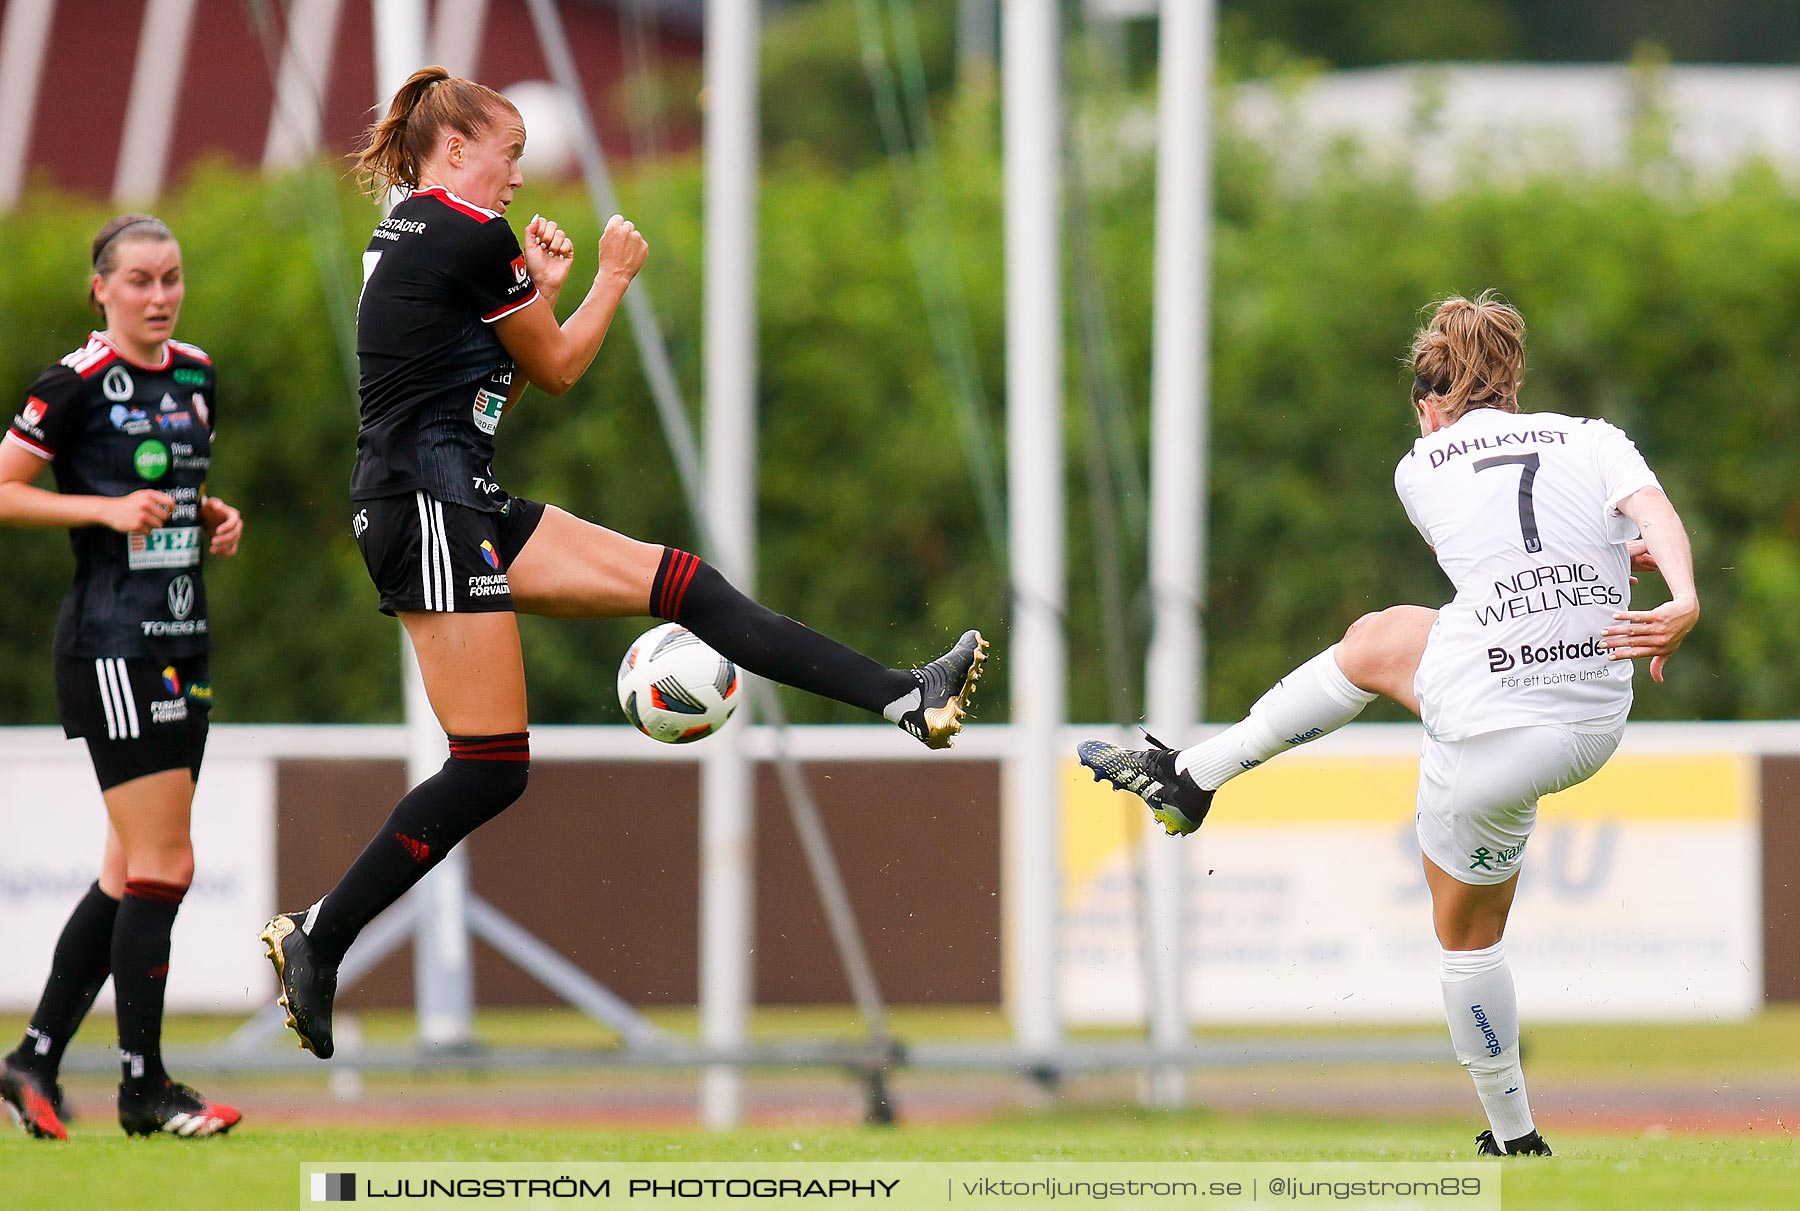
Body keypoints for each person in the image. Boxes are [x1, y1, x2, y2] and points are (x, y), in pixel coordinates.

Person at [260, 67, 988, 1060]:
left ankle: (908, 697)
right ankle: (319, 934)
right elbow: (556, 370)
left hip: (454, 496)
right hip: (425, 507)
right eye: (509, 153)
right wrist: (608, 278)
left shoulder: (427, 235)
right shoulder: (461, 231)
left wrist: (545, 292)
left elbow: (488, 399)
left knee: (679, 580)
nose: (517, 175)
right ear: (457, 145)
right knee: (490, 764)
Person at [1079, 292, 1698, 1158]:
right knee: (1394, 656)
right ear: (1516, 387)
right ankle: (1194, 775)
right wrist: (1679, 596)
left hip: (1484, 720)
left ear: (1426, 406)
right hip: (1591, 716)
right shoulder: (1591, 436)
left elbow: (1491, 548)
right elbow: (1653, 515)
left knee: (1379, 657)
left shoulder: (1421, 465)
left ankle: (1193, 776)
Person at [0, 214, 244, 1139]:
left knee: (125, 869)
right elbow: (5, 487)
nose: (158, 295)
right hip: (113, 644)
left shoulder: (196, 371)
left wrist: (208, 513)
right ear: (100, 289)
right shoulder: (74, 384)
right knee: (165, 864)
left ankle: (32, 1059)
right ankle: (143, 1089)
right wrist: (104, 510)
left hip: (184, 635)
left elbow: (173, 491)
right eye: (138, 280)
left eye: (170, 277)